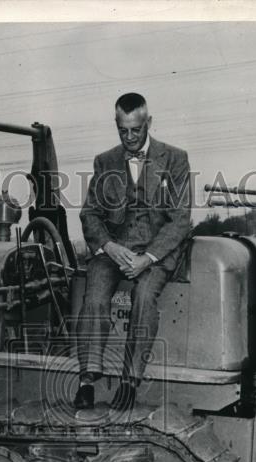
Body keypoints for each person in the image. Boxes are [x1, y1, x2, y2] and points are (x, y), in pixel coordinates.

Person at [75, 92, 192, 411]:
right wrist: (109, 248)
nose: (129, 137)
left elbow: (181, 219)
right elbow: (89, 214)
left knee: (143, 297)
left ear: (148, 123)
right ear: (117, 124)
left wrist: (148, 259)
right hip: (114, 250)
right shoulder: (105, 161)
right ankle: (87, 378)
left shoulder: (176, 159)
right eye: (122, 130)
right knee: (94, 296)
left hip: (154, 252)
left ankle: (129, 381)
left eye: (135, 130)